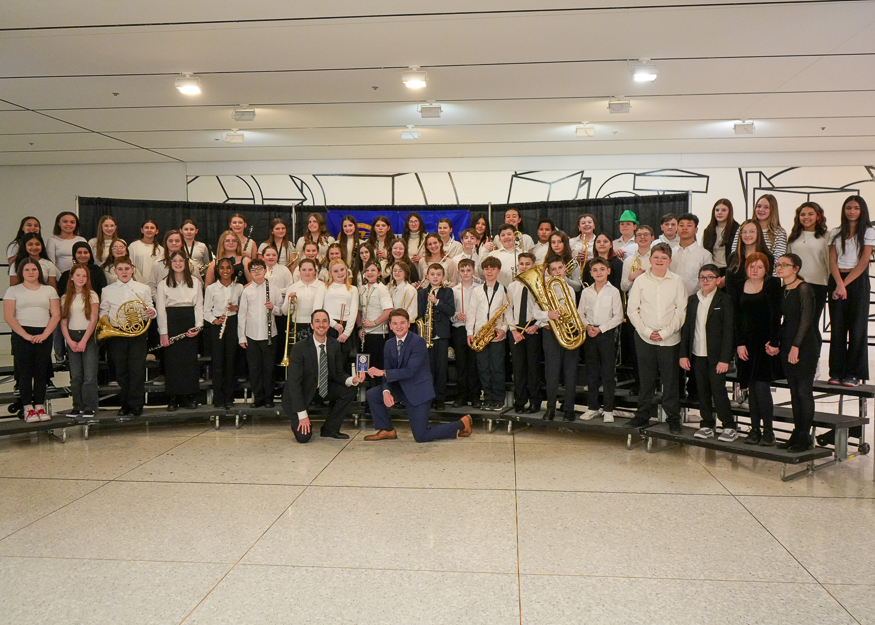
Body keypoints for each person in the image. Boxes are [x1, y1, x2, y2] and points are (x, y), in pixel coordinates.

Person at [364, 309, 473, 442]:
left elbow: (409, 371)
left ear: (409, 324)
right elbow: (388, 370)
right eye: (395, 323)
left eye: (402, 323)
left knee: (421, 436)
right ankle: (387, 430)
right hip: (401, 387)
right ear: (390, 326)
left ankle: (461, 423)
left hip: (418, 391)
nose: (399, 326)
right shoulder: (388, 344)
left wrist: (382, 372)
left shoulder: (418, 342)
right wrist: (386, 391)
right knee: (373, 394)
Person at [626, 243, 688, 433]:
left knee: (670, 382)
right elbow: (632, 309)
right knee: (646, 380)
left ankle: (673, 419)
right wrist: (646, 331)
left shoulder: (677, 281)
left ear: (670, 261)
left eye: (663, 258)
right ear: (650, 259)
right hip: (645, 338)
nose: (659, 261)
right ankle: (642, 415)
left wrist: (664, 333)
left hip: (670, 339)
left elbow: (681, 311)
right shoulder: (640, 281)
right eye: (656, 257)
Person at [283, 309, 365, 443]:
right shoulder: (299, 348)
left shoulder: (335, 344)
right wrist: (302, 415)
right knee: (303, 438)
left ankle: (330, 429)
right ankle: (303, 418)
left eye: (324, 321)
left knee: (350, 390)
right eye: (317, 321)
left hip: (322, 388)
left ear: (328, 325)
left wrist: (352, 379)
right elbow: (294, 384)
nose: (321, 324)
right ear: (312, 325)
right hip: (301, 393)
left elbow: (338, 373)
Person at [679, 264, 737, 441]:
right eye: (702, 277)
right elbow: (687, 329)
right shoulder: (693, 300)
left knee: (718, 390)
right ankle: (706, 424)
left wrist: (725, 359)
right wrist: (683, 354)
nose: (705, 280)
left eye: (710, 277)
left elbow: (729, 332)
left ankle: (728, 426)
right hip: (697, 355)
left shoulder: (725, 300)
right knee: (702, 391)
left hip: (717, 357)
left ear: (718, 280)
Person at [772, 254, 820, 452]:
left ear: (796, 268)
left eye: (785, 265)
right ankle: (797, 431)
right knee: (793, 391)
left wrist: (796, 346)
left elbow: (806, 320)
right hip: (788, 342)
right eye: (778, 264)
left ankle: (805, 436)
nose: (780, 267)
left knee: (803, 390)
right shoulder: (784, 290)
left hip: (805, 344)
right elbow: (784, 319)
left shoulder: (804, 288)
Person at [4, 258, 61, 422]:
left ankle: (40, 406)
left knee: (41, 372)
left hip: (44, 333)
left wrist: (44, 335)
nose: (31, 272)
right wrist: (26, 336)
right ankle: (28, 408)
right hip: (22, 335)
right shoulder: (13, 291)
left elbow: (56, 315)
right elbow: (8, 315)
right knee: (25, 373)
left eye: (34, 269)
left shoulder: (49, 290)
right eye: (27, 270)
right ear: (21, 272)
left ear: (39, 272)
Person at [733, 253, 781, 446]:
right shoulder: (739, 286)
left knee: (762, 387)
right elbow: (737, 318)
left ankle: (769, 431)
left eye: (759, 267)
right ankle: (754, 429)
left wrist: (775, 342)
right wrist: (739, 343)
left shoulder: (772, 284)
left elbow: (777, 315)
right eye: (751, 266)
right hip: (747, 343)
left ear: (766, 269)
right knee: (751, 388)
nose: (755, 270)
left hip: (765, 343)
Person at [100, 258, 157, 417]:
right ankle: (125, 403)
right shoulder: (107, 290)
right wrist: (107, 322)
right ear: (115, 271)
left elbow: (150, 306)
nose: (124, 272)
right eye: (120, 269)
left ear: (132, 269)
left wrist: (151, 312)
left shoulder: (143, 288)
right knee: (121, 370)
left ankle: (136, 404)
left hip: (137, 334)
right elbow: (103, 311)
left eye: (127, 268)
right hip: (117, 334)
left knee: (136, 370)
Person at [827, 195, 873, 386]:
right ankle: (836, 372)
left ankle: (854, 373)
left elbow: (863, 262)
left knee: (857, 328)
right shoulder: (836, 232)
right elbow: (832, 260)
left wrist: (844, 285)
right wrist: (839, 283)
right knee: (837, 328)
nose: (852, 211)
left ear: (862, 210)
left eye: (855, 208)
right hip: (837, 279)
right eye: (848, 208)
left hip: (857, 282)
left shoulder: (869, 232)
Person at [533, 255, 581, 422]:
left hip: (569, 333)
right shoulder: (544, 289)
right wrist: (548, 314)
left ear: (564, 269)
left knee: (570, 373)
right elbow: (535, 312)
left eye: (560, 268)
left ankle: (569, 409)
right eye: (553, 269)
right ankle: (551, 408)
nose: (557, 272)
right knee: (551, 373)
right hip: (551, 333)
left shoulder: (570, 289)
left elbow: (574, 312)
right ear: (548, 271)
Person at [156, 251, 204, 411]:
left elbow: (199, 305)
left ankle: (188, 396)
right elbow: (161, 309)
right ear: (170, 263)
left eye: (181, 260)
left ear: (186, 263)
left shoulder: (196, 282)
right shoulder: (163, 283)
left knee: (188, 362)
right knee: (172, 362)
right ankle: (173, 397)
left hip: (189, 321)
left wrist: (198, 326)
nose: (178, 263)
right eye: (174, 261)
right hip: (172, 322)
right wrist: (163, 332)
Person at [578, 257, 623, 422]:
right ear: (590, 273)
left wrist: (600, 329)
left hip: (606, 333)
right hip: (590, 333)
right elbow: (580, 313)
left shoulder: (614, 292)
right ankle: (593, 407)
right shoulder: (586, 292)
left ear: (608, 271)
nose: (599, 273)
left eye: (602, 269)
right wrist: (587, 326)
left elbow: (618, 316)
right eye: (595, 270)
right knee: (591, 373)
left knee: (608, 373)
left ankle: (609, 409)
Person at [237, 258, 282, 408]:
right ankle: (258, 397)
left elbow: (281, 311)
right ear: (250, 273)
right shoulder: (246, 290)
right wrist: (241, 336)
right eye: (253, 270)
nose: (257, 272)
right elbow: (242, 314)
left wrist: (273, 308)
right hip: (251, 335)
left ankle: (269, 398)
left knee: (269, 368)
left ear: (265, 270)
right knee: (255, 368)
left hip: (270, 334)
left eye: (259, 269)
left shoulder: (274, 289)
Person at [466, 256, 508, 411]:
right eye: (486, 268)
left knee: (497, 368)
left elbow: (507, 313)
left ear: (498, 270)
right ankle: (488, 397)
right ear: (482, 271)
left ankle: (499, 399)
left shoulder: (503, 289)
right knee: (483, 368)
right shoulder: (477, 291)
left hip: (497, 335)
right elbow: (471, 313)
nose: (489, 271)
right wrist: (470, 332)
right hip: (480, 335)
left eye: (493, 268)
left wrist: (503, 330)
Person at [59, 263, 100, 419]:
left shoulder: (92, 295)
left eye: (84, 276)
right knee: (76, 375)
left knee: (89, 375)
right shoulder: (65, 297)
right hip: (72, 336)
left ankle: (90, 407)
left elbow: (94, 319)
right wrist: (69, 340)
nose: (81, 278)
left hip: (88, 337)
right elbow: (63, 322)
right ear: (71, 278)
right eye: (78, 275)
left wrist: (84, 340)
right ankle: (77, 406)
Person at [505, 252, 543, 414]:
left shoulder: (539, 284)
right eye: (522, 263)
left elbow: (544, 308)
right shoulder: (513, 286)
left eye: (528, 264)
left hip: (533, 328)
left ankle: (535, 402)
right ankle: (520, 400)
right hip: (517, 329)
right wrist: (513, 330)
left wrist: (537, 326)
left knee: (533, 367)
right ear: (518, 265)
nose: (524, 266)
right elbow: (508, 310)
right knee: (519, 367)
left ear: (533, 265)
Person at [204, 258, 244, 409]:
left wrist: (236, 308)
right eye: (222, 268)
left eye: (228, 268)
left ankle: (229, 397)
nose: (225, 270)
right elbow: (206, 311)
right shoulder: (211, 289)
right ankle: (218, 398)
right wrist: (215, 320)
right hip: (218, 325)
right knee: (218, 362)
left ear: (232, 270)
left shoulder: (239, 287)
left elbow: (244, 308)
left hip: (233, 324)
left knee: (231, 361)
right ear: (218, 270)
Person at [787, 202, 829, 338]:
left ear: (818, 216)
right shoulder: (793, 237)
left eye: (811, 214)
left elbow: (830, 262)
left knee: (810, 324)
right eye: (803, 214)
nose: (806, 217)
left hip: (818, 285)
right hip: (795, 285)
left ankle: (813, 357)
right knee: (795, 323)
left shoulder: (826, 236)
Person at [416, 263, 455, 409]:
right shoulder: (422, 293)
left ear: (443, 277)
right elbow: (419, 314)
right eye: (432, 274)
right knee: (427, 369)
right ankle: (428, 397)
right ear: (427, 276)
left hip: (441, 335)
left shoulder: (448, 292)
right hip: (426, 336)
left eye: (438, 274)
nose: (435, 277)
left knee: (441, 368)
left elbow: (451, 311)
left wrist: (437, 302)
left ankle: (440, 399)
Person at [450, 258, 481, 408]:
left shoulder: (479, 288)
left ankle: (475, 396)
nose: (465, 273)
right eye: (462, 270)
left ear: (473, 271)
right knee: (461, 364)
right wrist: (457, 315)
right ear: (458, 273)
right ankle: (461, 396)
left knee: (474, 364)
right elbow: (450, 312)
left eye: (468, 270)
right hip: (460, 329)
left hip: (475, 329)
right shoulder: (454, 290)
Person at [358, 260, 394, 386]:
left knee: (376, 367)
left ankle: (377, 398)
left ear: (379, 273)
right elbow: (359, 310)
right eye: (367, 270)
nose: (369, 273)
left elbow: (389, 311)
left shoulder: (382, 289)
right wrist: (360, 328)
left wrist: (373, 323)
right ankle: (368, 400)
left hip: (378, 334)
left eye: (373, 270)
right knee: (364, 368)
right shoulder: (362, 289)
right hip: (365, 334)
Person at [731, 194, 787, 267]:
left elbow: (778, 260)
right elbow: (735, 251)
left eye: (766, 207)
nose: (761, 210)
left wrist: (771, 278)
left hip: (766, 274)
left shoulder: (779, 232)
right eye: (758, 206)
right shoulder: (744, 227)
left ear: (773, 210)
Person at [282, 258, 326, 346]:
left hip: (318, 325)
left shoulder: (323, 286)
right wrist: (289, 301)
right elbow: (284, 312)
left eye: (310, 270)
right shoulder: (293, 287)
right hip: (298, 324)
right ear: (299, 271)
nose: (307, 273)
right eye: (304, 270)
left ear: (315, 271)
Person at [724, 220, 773, 297]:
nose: (747, 235)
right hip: (735, 303)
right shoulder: (733, 257)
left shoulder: (767, 257)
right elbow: (729, 284)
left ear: (759, 233)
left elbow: (768, 284)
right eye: (744, 232)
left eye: (752, 231)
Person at [323, 258, 359, 362]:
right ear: (331, 273)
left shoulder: (353, 289)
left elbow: (353, 312)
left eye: (342, 269)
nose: (340, 273)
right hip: (328, 326)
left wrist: (346, 333)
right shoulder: (324, 287)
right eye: (336, 271)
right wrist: (334, 324)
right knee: (328, 360)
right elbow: (318, 309)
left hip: (346, 327)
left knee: (342, 361)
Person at [671, 213, 713, 297]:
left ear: (696, 230)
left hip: (696, 299)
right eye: (681, 225)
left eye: (689, 225)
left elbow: (710, 280)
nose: (684, 228)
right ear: (676, 229)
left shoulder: (704, 255)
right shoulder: (670, 253)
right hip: (672, 298)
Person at [701, 199, 740, 273]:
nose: (720, 213)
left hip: (731, 270)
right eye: (717, 210)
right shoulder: (708, 231)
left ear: (729, 212)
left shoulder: (737, 229)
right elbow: (703, 251)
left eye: (724, 210)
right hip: (712, 270)